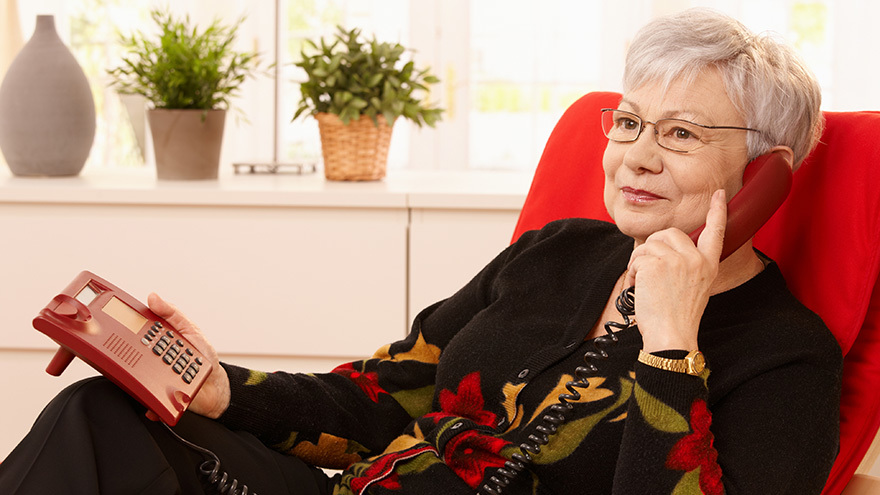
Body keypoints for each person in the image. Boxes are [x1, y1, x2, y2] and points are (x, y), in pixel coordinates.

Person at [0, 8, 841, 495]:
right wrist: (227, 388)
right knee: (101, 415)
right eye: (627, 122)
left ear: (764, 175)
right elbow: (385, 394)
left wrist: (669, 347)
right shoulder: (557, 253)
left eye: (681, 133)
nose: (636, 155)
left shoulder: (785, 357)